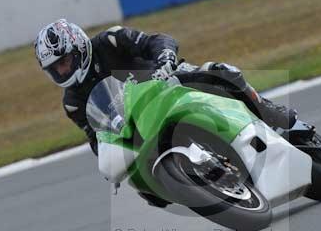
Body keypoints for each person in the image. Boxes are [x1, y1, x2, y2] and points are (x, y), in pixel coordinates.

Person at [34, 19, 298, 157]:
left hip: (167, 82)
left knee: (216, 72)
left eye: (65, 62)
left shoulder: (110, 40)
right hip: (139, 125)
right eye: (55, 69)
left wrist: (165, 59)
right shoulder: (72, 101)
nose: (62, 71)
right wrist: (106, 153)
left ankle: (266, 109)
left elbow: (158, 40)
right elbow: (95, 137)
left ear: (77, 46)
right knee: (145, 191)